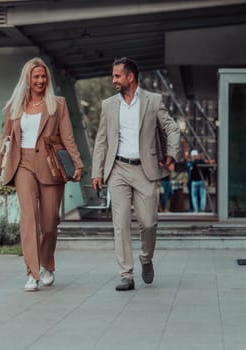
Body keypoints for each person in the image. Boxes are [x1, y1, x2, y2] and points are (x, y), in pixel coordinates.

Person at [0, 57, 84, 292]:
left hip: (51, 166)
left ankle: (47, 263)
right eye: (36, 77)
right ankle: (32, 272)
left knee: (50, 222)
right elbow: (6, 140)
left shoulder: (57, 105)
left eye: (44, 76)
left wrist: (78, 164)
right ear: (28, 80)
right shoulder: (14, 107)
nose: (41, 80)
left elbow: (68, 137)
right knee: (29, 218)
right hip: (22, 164)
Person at [91, 57, 180, 291]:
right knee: (120, 224)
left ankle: (146, 258)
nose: (113, 81)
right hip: (117, 169)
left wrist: (171, 153)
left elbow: (171, 127)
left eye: (117, 76)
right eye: (113, 76)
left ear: (131, 77)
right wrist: (96, 172)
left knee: (149, 223)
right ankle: (126, 274)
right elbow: (101, 140)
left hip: (145, 169)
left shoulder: (153, 101)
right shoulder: (109, 105)